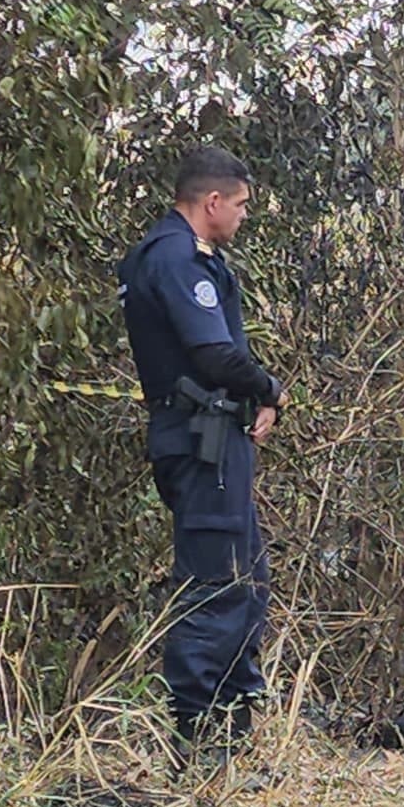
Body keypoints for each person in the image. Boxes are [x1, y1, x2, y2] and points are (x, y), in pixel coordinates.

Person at [120, 146, 280, 737]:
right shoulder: (176, 259)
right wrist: (270, 389)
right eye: (239, 205)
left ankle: (236, 728)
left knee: (246, 580)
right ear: (211, 202)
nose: (242, 216)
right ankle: (198, 737)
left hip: (212, 438)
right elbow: (212, 352)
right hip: (201, 440)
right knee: (216, 587)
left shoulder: (177, 256)